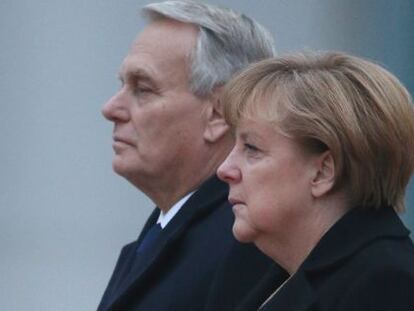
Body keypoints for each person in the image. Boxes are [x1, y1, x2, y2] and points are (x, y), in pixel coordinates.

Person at [98, 1, 286, 310]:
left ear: (218, 113)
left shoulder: (248, 241)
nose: (111, 109)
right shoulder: (171, 227)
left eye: (143, 89)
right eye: (122, 85)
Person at [217, 52, 414, 310]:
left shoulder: (383, 284)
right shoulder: (273, 273)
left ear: (323, 172)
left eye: (252, 148)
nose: (225, 169)